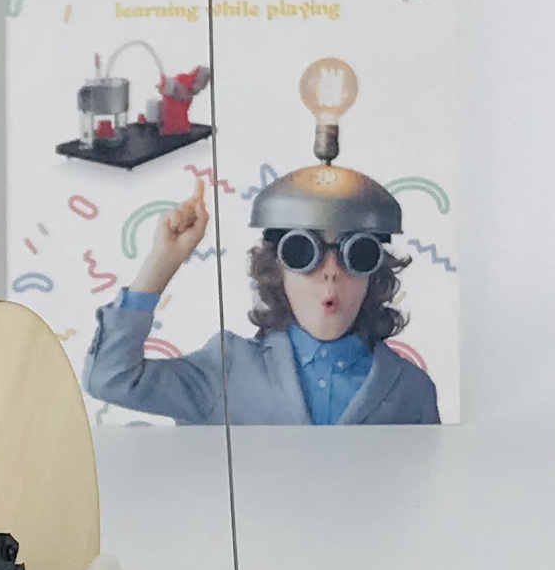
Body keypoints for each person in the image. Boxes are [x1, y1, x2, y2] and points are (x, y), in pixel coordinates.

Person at [83, 178, 440, 425]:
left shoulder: (410, 390)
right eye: (303, 253)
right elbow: (109, 378)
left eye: (357, 255)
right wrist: (163, 261)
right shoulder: (228, 371)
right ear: (277, 272)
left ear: (373, 275)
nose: (331, 272)